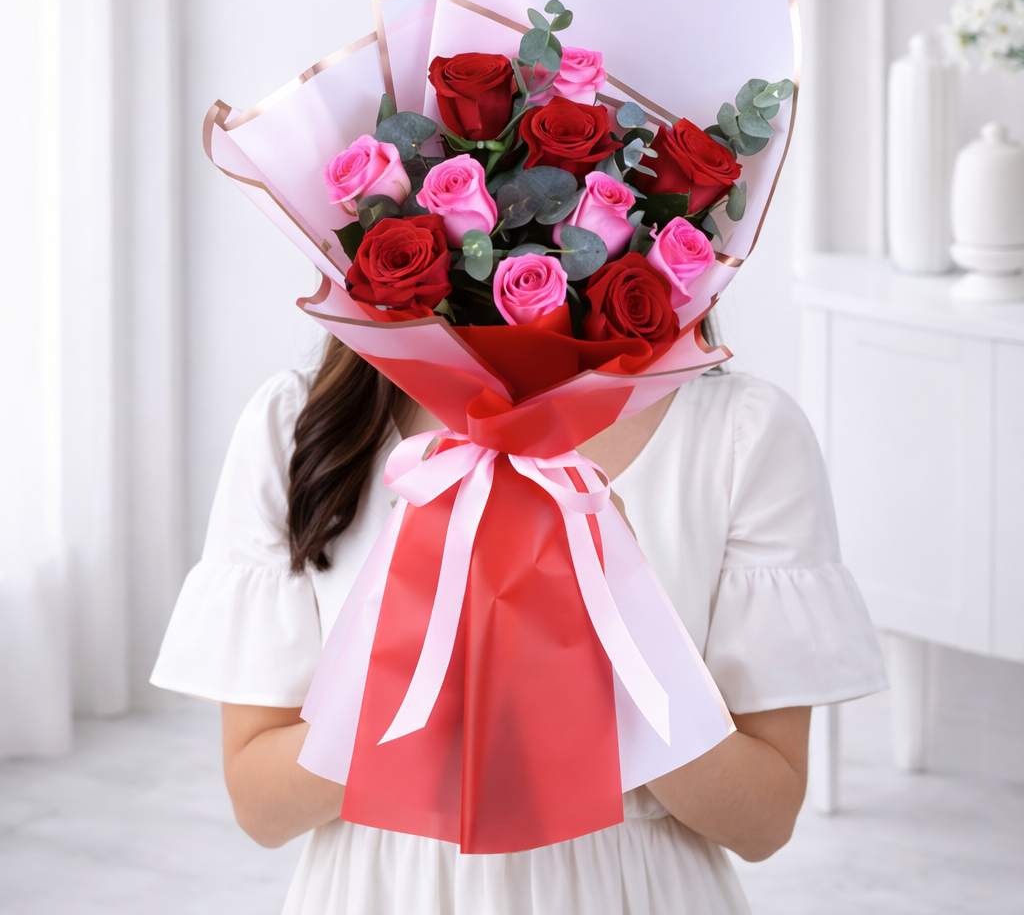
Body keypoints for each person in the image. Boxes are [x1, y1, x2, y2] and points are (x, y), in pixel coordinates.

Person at [152, 334, 887, 914]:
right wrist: (422, 653)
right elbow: (261, 805)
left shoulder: (740, 432)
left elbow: (762, 823)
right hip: (381, 893)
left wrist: (621, 628)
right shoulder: (303, 425)